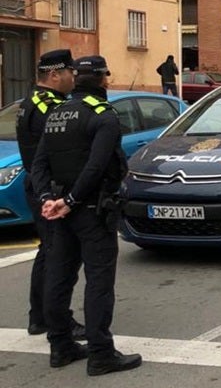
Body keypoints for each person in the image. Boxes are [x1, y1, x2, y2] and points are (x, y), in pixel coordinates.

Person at [32, 56, 142, 375]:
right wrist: (71, 199)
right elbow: (97, 166)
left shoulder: (56, 113)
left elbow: (39, 164)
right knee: (99, 281)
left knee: (59, 276)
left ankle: (61, 347)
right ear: (102, 80)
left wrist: (48, 199)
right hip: (92, 209)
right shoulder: (102, 115)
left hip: (61, 209)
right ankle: (100, 353)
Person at [16, 49, 85, 340]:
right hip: (52, 191)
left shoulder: (29, 100)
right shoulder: (49, 107)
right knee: (61, 257)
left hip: (39, 187)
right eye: (71, 72)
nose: (74, 78)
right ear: (55, 74)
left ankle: (40, 316)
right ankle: (59, 321)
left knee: (48, 252)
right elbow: (61, 148)